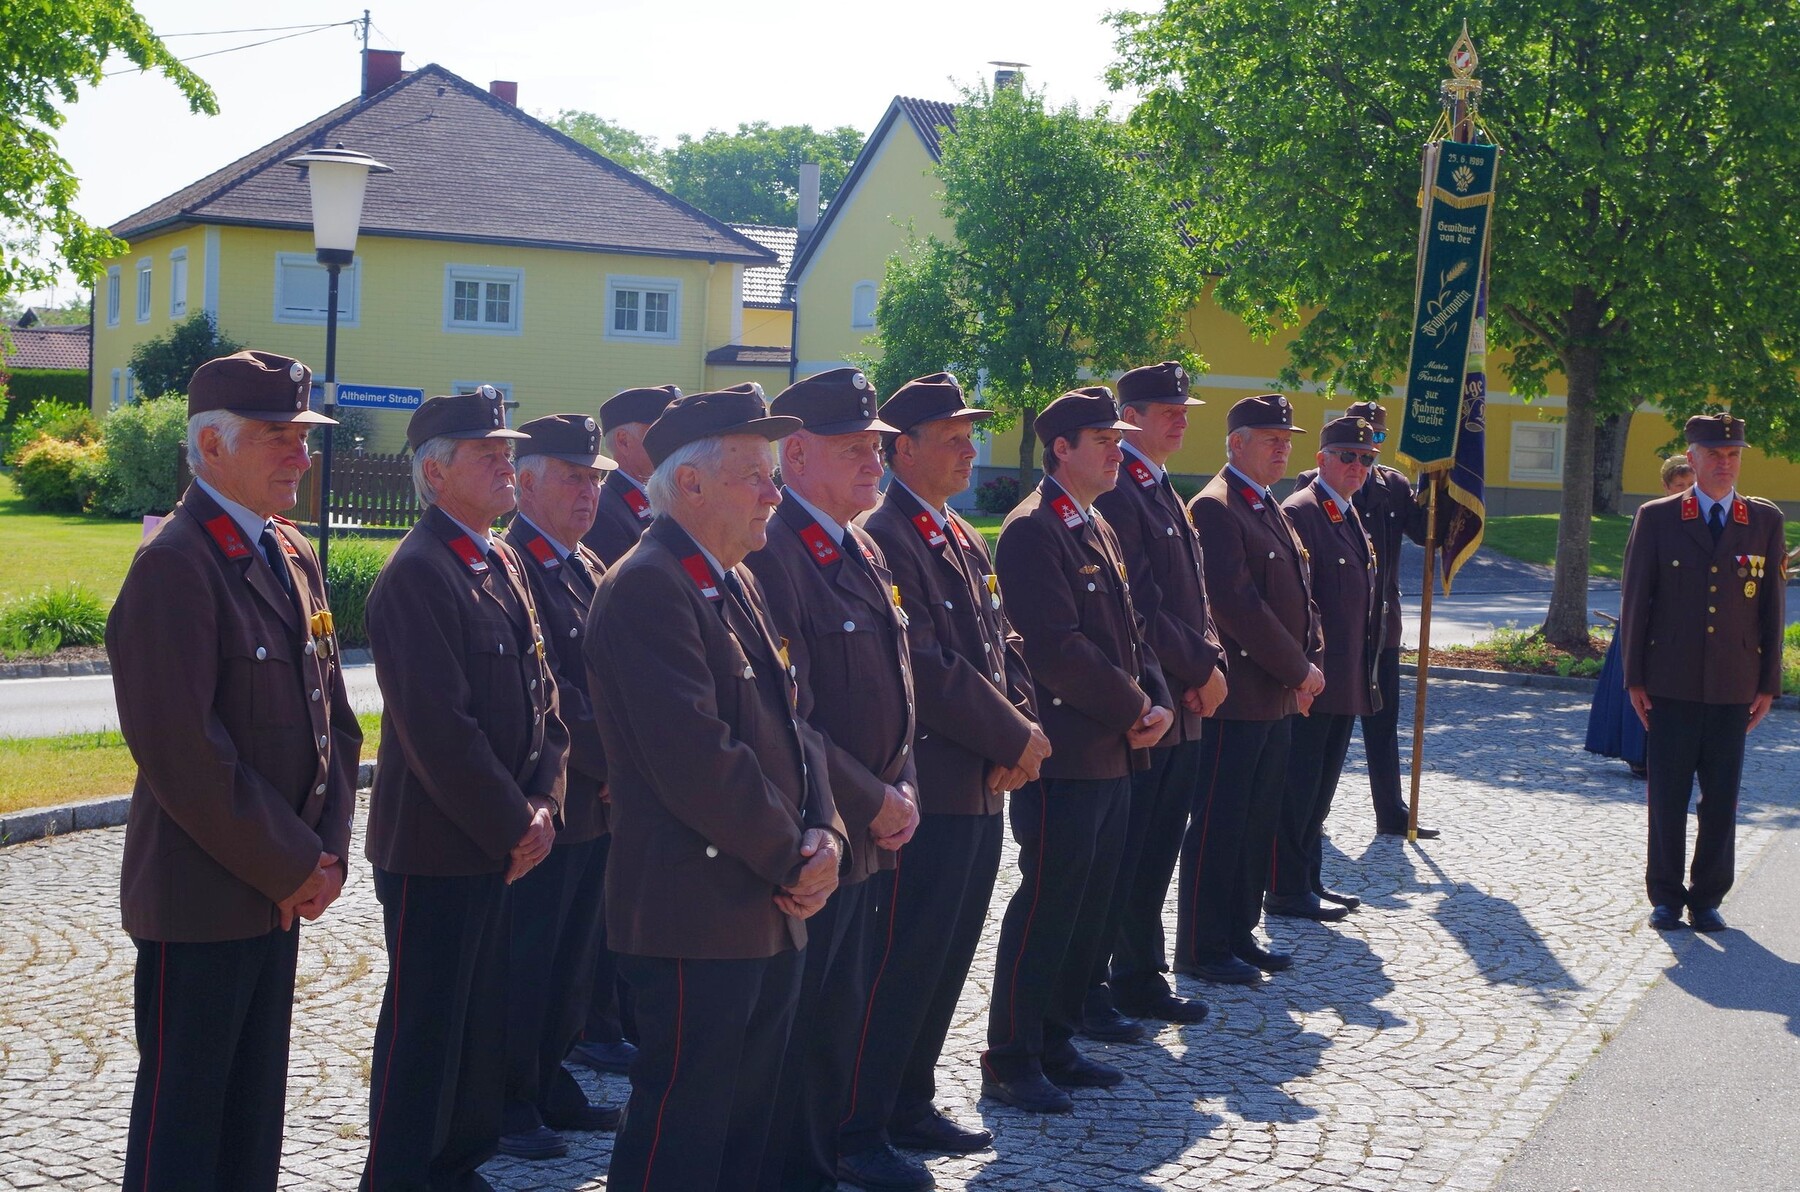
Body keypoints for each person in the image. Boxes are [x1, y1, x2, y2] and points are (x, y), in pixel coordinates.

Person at [108, 349, 360, 1192]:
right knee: (184, 1126)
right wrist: (293, 864)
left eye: (304, 436)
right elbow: (182, 752)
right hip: (203, 896)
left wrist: (326, 856)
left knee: (252, 1119)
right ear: (212, 445)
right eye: (277, 436)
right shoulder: (176, 564)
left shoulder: (289, 550)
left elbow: (336, 721)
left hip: (279, 890)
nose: (301, 455)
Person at [584, 384, 845, 1192]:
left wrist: (827, 832)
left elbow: (797, 724)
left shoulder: (733, 578)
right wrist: (792, 855)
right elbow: (698, 758)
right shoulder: (648, 585)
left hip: (762, 897)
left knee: (742, 1130)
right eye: (753, 475)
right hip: (695, 909)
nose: (774, 493)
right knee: (684, 1133)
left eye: (773, 475)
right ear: (690, 484)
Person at [360, 387, 569, 1192]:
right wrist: (515, 822)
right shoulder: (418, 572)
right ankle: (401, 1176)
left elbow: (545, 697)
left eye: (506, 451)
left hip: (502, 838)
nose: (505, 464)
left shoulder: (500, 559)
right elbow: (439, 730)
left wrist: (544, 803)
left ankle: (457, 1164)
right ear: (436, 473)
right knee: (429, 1025)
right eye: (488, 454)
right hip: (438, 845)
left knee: (481, 1019)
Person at [845, 373, 1048, 1187]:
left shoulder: (959, 533)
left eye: (971, 436)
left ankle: (909, 1098)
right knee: (899, 959)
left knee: (945, 953)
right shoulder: (886, 534)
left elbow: (1003, 643)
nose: (970, 450)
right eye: (953, 438)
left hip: (981, 783)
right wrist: (1012, 735)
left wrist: (1023, 727)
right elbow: (926, 665)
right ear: (904, 449)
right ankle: (857, 1124)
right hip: (931, 782)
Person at [746, 367, 921, 1192]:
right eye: (854, 448)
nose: (873, 461)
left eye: (876, 447)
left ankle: (823, 1158)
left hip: (871, 826)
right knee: (800, 1020)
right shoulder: (776, 552)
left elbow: (898, 685)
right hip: (819, 827)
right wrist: (873, 798)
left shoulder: (863, 544)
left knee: (839, 1013)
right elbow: (794, 717)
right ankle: (790, 1169)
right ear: (797, 454)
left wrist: (905, 783)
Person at [983, 387, 1173, 1115]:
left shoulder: (1095, 522)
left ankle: (1056, 1040)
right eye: (1103, 440)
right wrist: (1135, 707)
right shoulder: (1033, 529)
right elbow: (1055, 649)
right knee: (1049, 904)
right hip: (1066, 755)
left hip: (1114, 750)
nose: (1118, 450)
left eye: (1119, 439)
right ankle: (1011, 1056)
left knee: (1090, 903)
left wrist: (1154, 697)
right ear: (1060, 448)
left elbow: (1132, 628)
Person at [496, 414, 623, 1159]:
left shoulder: (586, 565)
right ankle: (509, 1097)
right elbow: (553, 694)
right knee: (529, 958)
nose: (589, 492)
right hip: (555, 795)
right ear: (526, 483)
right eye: (573, 478)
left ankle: (548, 1078)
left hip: (597, 800)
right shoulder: (517, 565)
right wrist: (613, 765)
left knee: (574, 958)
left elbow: (620, 679)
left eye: (595, 478)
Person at [1087, 360, 1226, 1032]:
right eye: (1167, 411)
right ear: (1130, 418)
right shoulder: (1121, 492)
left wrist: (1210, 661)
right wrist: (1200, 670)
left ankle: (1142, 975)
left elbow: (1195, 597)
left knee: (1158, 850)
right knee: (1132, 854)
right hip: (1154, 699)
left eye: (1183, 411)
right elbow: (1141, 605)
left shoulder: (1161, 487)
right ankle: (1117, 978)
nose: (1180, 421)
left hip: (1184, 702)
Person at [1176, 393, 1324, 985]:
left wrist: (1309, 664)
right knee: (1221, 824)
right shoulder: (1216, 507)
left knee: (1256, 821)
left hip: (1276, 696)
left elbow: (1302, 595)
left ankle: (1238, 932)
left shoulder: (1266, 503)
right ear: (1236, 444)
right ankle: (1202, 945)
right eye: (1271, 439)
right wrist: (1298, 669)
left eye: (1287, 440)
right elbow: (1238, 606)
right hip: (1238, 698)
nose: (1283, 449)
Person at [1620, 413, 1785, 933]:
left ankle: (1708, 896)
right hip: (1670, 680)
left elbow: (1772, 609)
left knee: (1721, 798)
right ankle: (1666, 897)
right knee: (1667, 795)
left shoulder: (1763, 520)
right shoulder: (1658, 517)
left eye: (1733, 454)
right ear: (1691, 458)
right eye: (1714, 454)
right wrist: (1634, 678)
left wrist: (1768, 683)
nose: (1724, 463)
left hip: (1735, 682)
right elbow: (1637, 600)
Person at [1295, 399, 1434, 837]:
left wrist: (1438, 482)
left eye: (1375, 442)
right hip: (1336, 631)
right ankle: (1311, 816)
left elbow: (1424, 532)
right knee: (1324, 731)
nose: (1361, 458)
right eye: (1352, 449)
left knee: (1383, 720)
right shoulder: (1313, 488)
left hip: (1381, 624)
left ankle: (1390, 811)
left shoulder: (1393, 485)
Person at [1268, 416, 1384, 922]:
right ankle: (1286, 888)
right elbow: (1294, 602)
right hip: (1313, 680)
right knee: (1297, 789)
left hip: (1344, 679)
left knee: (1320, 792)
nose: (1358, 466)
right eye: (1347, 456)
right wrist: (1299, 672)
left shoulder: (1346, 511)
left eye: (1367, 459)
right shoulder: (1303, 511)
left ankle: (1308, 878)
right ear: (1321, 460)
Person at [1587, 456, 1694, 778]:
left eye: (1691, 484)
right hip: (1646, 613)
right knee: (1639, 682)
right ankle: (1638, 753)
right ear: (1666, 487)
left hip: (1683, 617)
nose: (1686, 490)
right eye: (1679, 485)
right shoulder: (1653, 515)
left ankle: (1676, 754)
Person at [582, 383, 680, 567]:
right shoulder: (603, 511)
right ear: (623, 441)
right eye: (659, 432)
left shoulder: (670, 499)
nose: (673, 442)